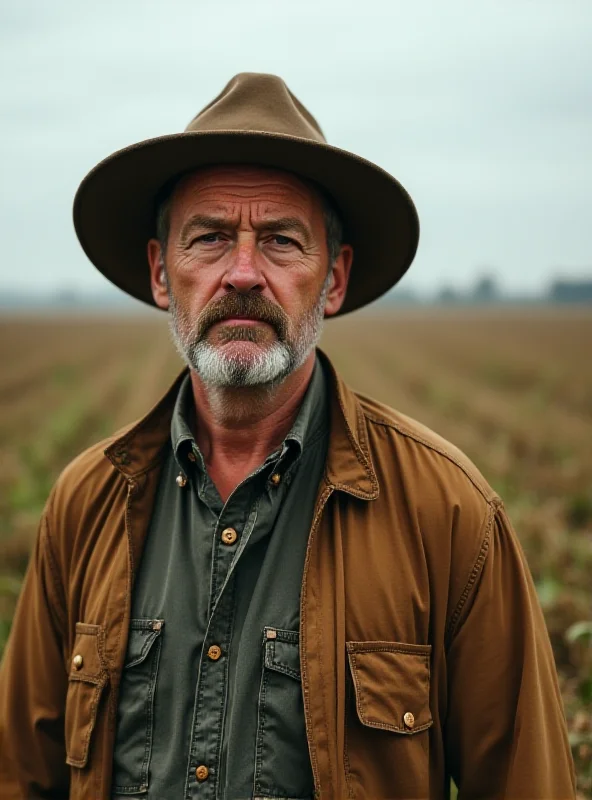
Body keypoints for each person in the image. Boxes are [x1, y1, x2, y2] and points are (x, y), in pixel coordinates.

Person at [0, 73, 575, 800]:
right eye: (209, 238)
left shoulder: (451, 515)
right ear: (160, 273)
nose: (243, 273)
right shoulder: (86, 504)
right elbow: (21, 777)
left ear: (332, 279)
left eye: (280, 241)